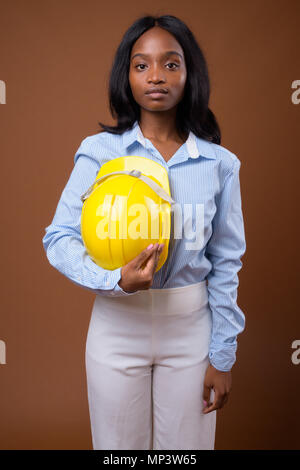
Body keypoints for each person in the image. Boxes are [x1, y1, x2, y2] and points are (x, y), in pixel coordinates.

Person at [42, 14, 246, 450]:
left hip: (192, 329)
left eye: (171, 64)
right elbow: (58, 238)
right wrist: (113, 280)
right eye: (142, 65)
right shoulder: (99, 153)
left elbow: (227, 262)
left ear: (190, 74)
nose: (156, 76)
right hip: (116, 326)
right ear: (126, 76)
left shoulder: (220, 164)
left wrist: (222, 355)